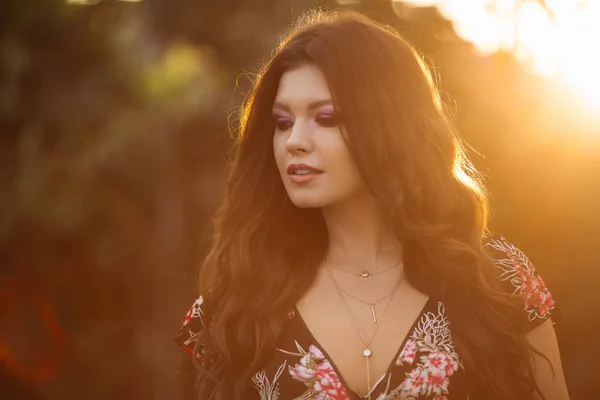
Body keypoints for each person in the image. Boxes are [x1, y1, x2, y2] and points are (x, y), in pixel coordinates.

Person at [175, 10, 569, 400]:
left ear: (389, 126)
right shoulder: (237, 300)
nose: (294, 140)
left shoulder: (497, 281)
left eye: (325, 118)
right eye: (282, 122)